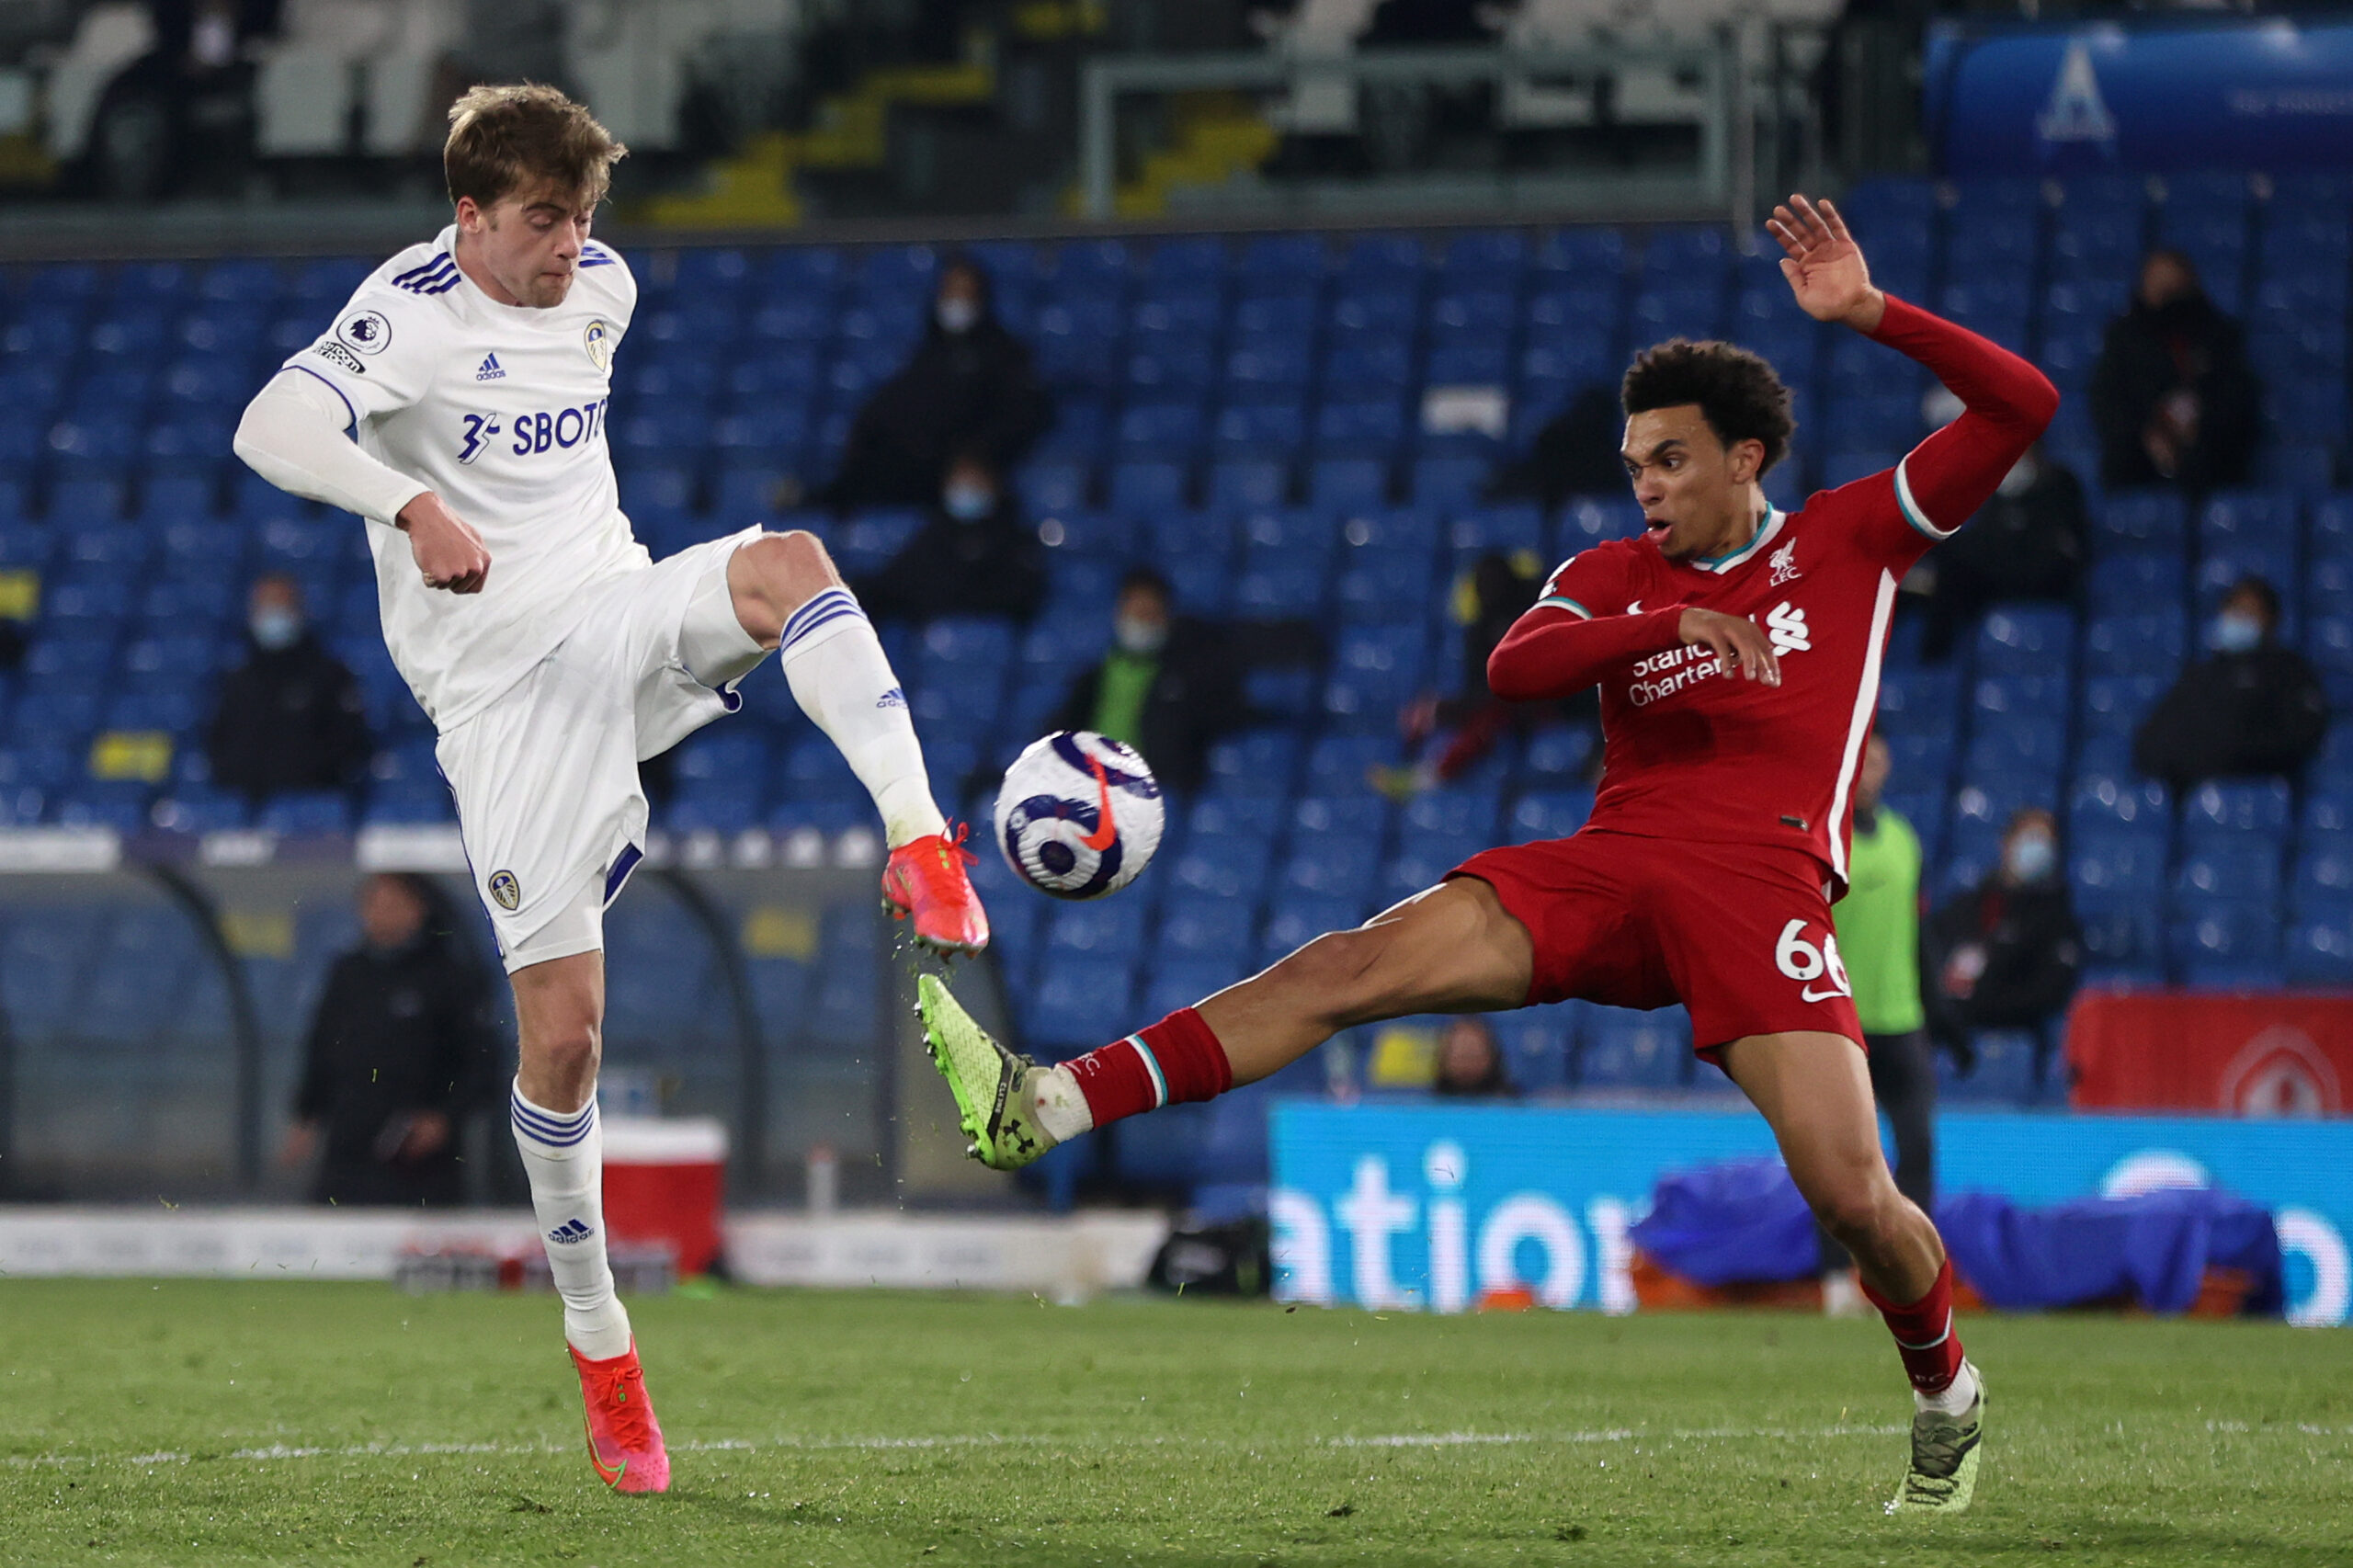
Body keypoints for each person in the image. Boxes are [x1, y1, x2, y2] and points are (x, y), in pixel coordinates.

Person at [922, 195, 2058, 1514]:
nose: (1646, 485)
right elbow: (1516, 665)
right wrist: (1663, 620)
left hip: (1763, 888)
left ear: (1747, 457)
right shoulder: (1616, 572)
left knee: (1855, 1197)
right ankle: (1047, 1101)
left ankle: (1944, 1389)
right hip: (1611, 865)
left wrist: (1872, 315)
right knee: (1351, 964)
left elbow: (2023, 407)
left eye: (1673, 461)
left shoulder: (1850, 540)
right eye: (1635, 462)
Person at [233, 84, 987, 1495]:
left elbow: (564, 442)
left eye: (584, 216)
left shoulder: (604, 291)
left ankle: (922, 837)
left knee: (793, 566)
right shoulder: (408, 315)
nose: (572, 245)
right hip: (504, 699)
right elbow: (267, 427)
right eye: (540, 219)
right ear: (467, 216)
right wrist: (408, 502)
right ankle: (603, 1345)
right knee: (566, 1041)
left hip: (617, 610)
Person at [281, 873, 503, 1208]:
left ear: (419, 910)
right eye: (372, 904)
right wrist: (306, 1116)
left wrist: (445, 1118)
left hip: (417, 1154)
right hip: (348, 1143)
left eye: (392, 904)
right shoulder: (348, 972)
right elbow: (322, 1046)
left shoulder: (449, 976)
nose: (379, 914)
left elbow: (482, 1061)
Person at [1818, 733, 1937, 1315]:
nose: (1871, 771)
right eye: (1863, 759)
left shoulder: (1904, 841)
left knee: (1917, 1148)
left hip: (1902, 1020)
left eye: (1880, 760)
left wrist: (1944, 1019)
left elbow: (1918, 939)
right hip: (1840, 1022)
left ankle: (1910, 1279)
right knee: (1836, 1159)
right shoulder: (1822, 836)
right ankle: (1838, 1283)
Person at [1045, 566, 1323, 797]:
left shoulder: (1189, 673)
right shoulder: (1093, 678)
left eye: (1150, 614)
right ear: (1119, 613)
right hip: (1093, 792)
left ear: (1167, 617)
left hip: (1154, 797)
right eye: (1135, 613)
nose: (1142, 623)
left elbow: (1220, 715)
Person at [813, 254, 1051, 513]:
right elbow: (885, 411)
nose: (956, 302)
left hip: (953, 474)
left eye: (965, 293)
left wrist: (974, 454)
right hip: (907, 470)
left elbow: (1020, 415)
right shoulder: (926, 354)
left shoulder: (1003, 355)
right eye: (950, 292)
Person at [1370, 550, 1597, 801]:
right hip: (1522, 704)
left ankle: (1430, 772)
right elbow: (1480, 688)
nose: (1493, 588)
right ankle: (1424, 766)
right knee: (1488, 711)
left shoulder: (1542, 598)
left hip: (1573, 690)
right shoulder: (1479, 633)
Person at [2133, 576, 2330, 794]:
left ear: (2270, 620)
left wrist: (2233, 755)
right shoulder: (2201, 675)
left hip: (2261, 796)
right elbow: (2152, 742)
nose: (2238, 618)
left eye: (2248, 611)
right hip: (2196, 800)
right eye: (2233, 609)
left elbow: (2299, 737)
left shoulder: (2289, 672)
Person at [2088, 249, 2259, 493]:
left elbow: (2237, 400)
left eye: (2174, 290)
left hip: (2210, 460)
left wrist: (2198, 430)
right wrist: (2148, 434)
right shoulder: (2123, 339)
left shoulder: (2219, 336)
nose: (2167, 301)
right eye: (2160, 290)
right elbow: (2107, 401)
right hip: (2136, 458)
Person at [1923, 809, 2082, 1063]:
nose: (2035, 848)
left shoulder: (2056, 918)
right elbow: (1928, 953)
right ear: (2006, 843)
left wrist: (1976, 1003)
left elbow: (2049, 991)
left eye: (2044, 842)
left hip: (2011, 1033)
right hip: (1945, 1028)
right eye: (2029, 838)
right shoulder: (1967, 906)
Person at [205, 573, 375, 811]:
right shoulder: (237, 680)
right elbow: (218, 745)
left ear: (298, 610)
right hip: (246, 808)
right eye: (266, 607)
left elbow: (350, 744)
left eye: (280, 606)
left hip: (314, 808)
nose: (273, 615)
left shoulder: (329, 675)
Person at [1913, 438, 2087, 663]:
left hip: (2044, 576)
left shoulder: (2060, 482)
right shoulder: (1998, 490)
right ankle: (1932, 666)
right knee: (1950, 566)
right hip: (2001, 574)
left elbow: (2067, 545)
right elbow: (1988, 539)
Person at [851, 453, 1046, 626]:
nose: (965, 490)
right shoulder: (935, 533)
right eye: (959, 482)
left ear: (992, 485)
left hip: (987, 638)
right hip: (933, 632)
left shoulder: (1013, 538)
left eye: (973, 482)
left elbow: (1021, 596)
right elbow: (899, 582)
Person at [1431, 1017, 1516, 1098]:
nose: (1466, 1065)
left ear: (1491, 1057)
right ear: (1444, 1059)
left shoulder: (1510, 1104)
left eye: (1473, 1056)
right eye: (1461, 1057)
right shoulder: (1428, 1105)